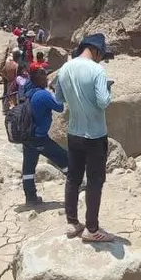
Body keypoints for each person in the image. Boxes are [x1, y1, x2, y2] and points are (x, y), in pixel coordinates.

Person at [55, 33, 114, 242]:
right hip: (95, 135)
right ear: (96, 50)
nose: (102, 58)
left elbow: (59, 98)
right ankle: (92, 228)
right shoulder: (97, 70)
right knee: (95, 181)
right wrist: (108, 87)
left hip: (74, 132)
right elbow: (103, 102)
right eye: (102, 54)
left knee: (73, 177)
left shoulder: (64, 68)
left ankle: (72, 223)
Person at [21, 68, 68, 206]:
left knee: (28, 169)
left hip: (28, 137)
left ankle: (30, 198)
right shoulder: (42, 94)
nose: (47, 80)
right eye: (44, 78)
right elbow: (59, 107)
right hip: (40, 137)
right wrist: (56, 91)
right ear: (39, 80)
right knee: (64, 158)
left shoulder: (28, 93)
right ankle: (77, 185)